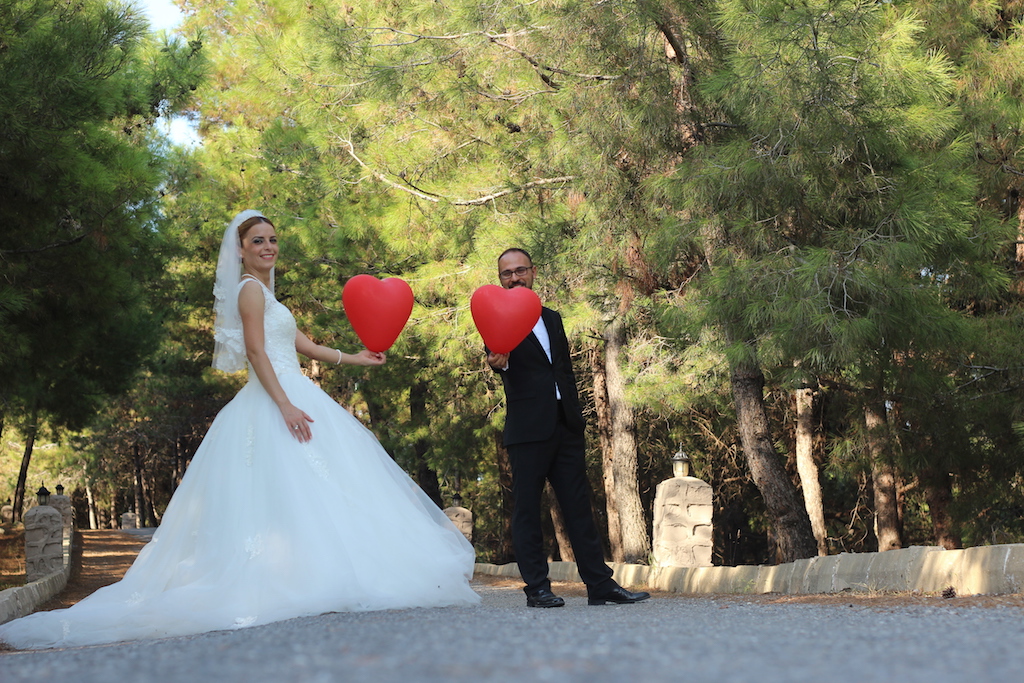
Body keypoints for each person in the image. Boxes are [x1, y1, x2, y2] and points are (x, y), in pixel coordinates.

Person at [0, 210, 479, 650]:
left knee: (314, 488)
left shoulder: (267, 293)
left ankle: (318, 570)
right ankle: (292, 577)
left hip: (293, 390)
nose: (268, 247)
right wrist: (285, 404)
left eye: (272, 240)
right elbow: (255, 352)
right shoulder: (249, 290)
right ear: (241, 249)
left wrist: (356, 357)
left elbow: (304, 345)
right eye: (258, 241)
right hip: (274, 397)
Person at [485, 248, 650, 608]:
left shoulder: (552, 318)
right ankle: (537, 589)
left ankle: (600, 585)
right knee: (527, 512)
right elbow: (497, 359)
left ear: (533, 272)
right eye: (507, 273)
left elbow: (561, 370)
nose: (514, 278)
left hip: (566, 425)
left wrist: (575, 417)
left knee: (579, 508)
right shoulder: (496, 316)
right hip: (527, 430)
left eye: (520, 270)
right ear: (500, 279)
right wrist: (498, 362)